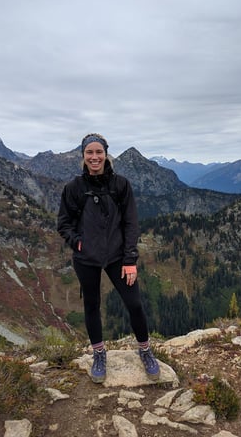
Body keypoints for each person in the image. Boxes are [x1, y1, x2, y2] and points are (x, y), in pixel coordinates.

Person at [57, 133, 160, 383]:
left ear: (106, 154)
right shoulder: (74, 188)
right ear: (83, 155)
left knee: (134, 304)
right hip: (86, 258)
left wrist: (130, 259)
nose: (94, 157)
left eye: (98, 152)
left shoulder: (120, 185)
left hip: (117, 256)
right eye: (89, 153)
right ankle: (99, 354)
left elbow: (130, 223)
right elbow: (63, 223)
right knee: (91, 306)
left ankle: (145, 350)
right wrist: (77, 242)